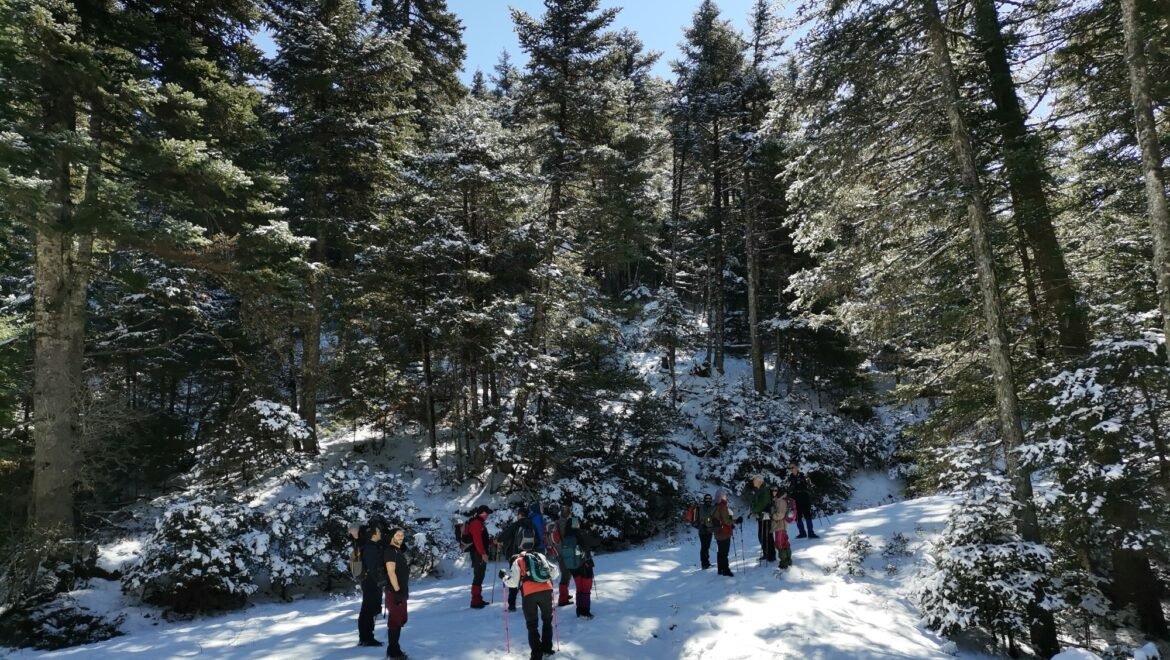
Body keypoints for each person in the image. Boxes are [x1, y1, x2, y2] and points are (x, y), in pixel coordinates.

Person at [500, 548, 560, 660]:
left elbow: (513, 583)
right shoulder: (540, 556)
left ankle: (536, 655)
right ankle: (547, 649)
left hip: (529, 594)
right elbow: (555, 572)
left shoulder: (517, 561)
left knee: (532, 625)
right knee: (547, 620)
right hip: (546, 590)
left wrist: (504, 577)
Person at [495, 503, 536, 612]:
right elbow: (537, 541)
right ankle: (527, 603)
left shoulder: (516, 524)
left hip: (515, 556)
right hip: (528, 556)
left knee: (514, 579)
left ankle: (512, 605)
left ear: (519, 515)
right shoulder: (532, 525)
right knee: (526, 579)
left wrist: (498, 540)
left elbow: (503, 536)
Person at [560, 506, 598, 618]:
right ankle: (585, 611)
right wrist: (594, 531)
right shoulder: (579, 534)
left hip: (572, 566)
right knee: (586, 588)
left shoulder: (566, 538)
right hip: (584, 564)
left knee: (579, 588)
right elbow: (594, 542)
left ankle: (579, 609)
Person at [383, 527, 410, 660]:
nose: (401, 537)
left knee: (399, 620)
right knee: (395, 621)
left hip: (400, 591)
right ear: (391, 536)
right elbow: (391, 572)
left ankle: (394, 649)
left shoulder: (397, 551)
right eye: (398, 534)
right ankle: (394, 653)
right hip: (394, 592)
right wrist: (397, 591)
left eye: (402, 535)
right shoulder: (390, 551)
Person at [357, 524, 385, 647]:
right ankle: (366, 638)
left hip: (371, 582)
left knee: (369, 608)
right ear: (373, 534)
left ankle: (367, 637)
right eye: (378, 531)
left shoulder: (372, 547)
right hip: (371, 582)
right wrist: (382, 581)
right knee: (368, 609)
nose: (380, 533)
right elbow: (374, 568)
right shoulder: (370, 548)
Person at [544, 503, 574, 607]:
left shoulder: (556, 522)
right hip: (568, 552)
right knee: (566, 575)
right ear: (569, 513)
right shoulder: (570, 522)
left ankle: (565, 594)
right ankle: (563, 599)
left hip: (558, 552)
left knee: (566, 573)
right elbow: (577, 534)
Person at [743, 475, 775, 562]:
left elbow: (759, 505)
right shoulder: (759, 490)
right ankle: (766, 553)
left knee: (766, 536)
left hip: (766, 516)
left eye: (754, 481)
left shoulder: (764, 490)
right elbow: (753, 502)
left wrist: (755, 509)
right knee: (762, 536)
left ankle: (771, 555)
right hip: (761, 516)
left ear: (759, 481)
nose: (753, 482)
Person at [466, 505, 492, 609]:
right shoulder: (476, 523)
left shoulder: (479, 522)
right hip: (478, 554)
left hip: (479, 553)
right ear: (481, 513)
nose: (487, 516)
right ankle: (475, 601)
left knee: (480, 576)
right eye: (486, 514)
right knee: (478, 576)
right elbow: (477, 540)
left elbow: (482, 539)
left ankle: (478, 599)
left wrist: (491, 541)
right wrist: (483, 554)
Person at [712, 490, 741, 577]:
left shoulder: (714, 506)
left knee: (720, 551)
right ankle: (726, 570)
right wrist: (734, 521)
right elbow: (726, 520)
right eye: (724, 496)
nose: (726, 497)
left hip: (717, 532)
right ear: (721, 497)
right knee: (724, 552)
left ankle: (720, 569)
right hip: (724, 532)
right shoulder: (723, 506)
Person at [787, 462, 818, 539]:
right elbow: (788, 488)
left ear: (797, 467)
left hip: (803, 497)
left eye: (792, 467)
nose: (791, 469)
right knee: (798, 516)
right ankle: (802, 532)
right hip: (795, 498)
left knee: (807, 514)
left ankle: (811, 532)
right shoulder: (790, 478)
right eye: (790, 468)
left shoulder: (802, 476)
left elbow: (808, 485)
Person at [770, 486, 793, 569]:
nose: (773, 492)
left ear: (778, 491)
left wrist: (772, 515)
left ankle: (784, 562)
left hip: (780, 525)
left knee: (779, 543)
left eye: (775, 490)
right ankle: (788, 560)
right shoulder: (777, 500)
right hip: (780, 525)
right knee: (784, 542)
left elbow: (781, 514)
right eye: (772, 490)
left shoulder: (780, 501)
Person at [693, 494, 716, 570]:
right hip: (704, 530)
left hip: (706, 530)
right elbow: (706, 517)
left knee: (706, 547)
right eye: (708, 499)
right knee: (704, 547)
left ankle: (706, 563)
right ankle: (704, 564)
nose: (709, 500)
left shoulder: (704, 507)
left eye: (709, 499)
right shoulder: (702, 508)